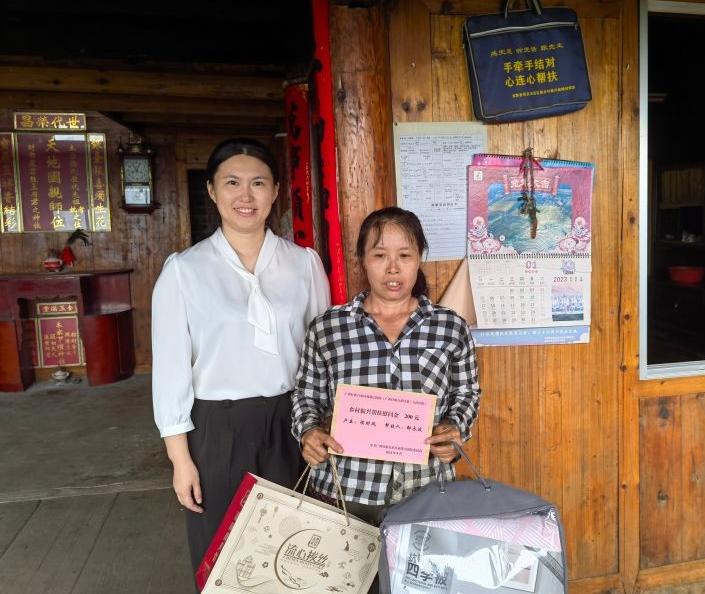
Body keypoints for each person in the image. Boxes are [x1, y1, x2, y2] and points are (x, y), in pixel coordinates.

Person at [151, 137, 330, 577]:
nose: (245, 195)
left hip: (293, 423)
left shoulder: (303, 264)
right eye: (232, 182)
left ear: (275, 192)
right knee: (224, 552)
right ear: (212, 190)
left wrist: (322, 424)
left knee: (295, 549)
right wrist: (180, 461)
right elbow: (171, 373)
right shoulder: (184, 271)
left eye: (258, 183)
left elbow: (324, 355)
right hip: (218, 428)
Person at [291, 206, 481, 529]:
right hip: (346, 489)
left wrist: (455, 428)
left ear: (419, 258)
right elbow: (306, 396)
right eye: (379, 255)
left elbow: (466, 393)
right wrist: (308, 432)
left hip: (426, 488)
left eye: (405, 255)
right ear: (362, 260)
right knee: (346, 565)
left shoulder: (450, 327)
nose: (393, 268)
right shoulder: (329, 328)